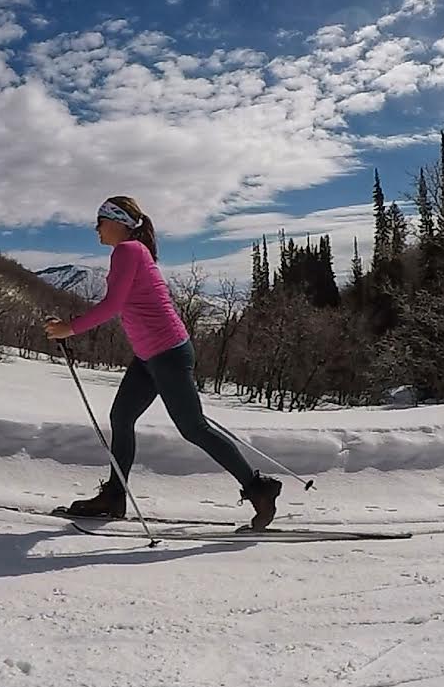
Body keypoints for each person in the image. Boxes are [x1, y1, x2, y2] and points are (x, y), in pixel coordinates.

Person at [45, 196, 282, 529]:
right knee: (121, 416)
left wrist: (69, 328)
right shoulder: (132, 253)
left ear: (116, 221)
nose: (95, 228)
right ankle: (115, 495)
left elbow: (113, 304)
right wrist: (71, 326)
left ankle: (259, 488)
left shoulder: (128, 251)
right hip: (148, 356)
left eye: (100, 220)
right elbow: (121, 303)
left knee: (193, 427)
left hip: (168, 353)